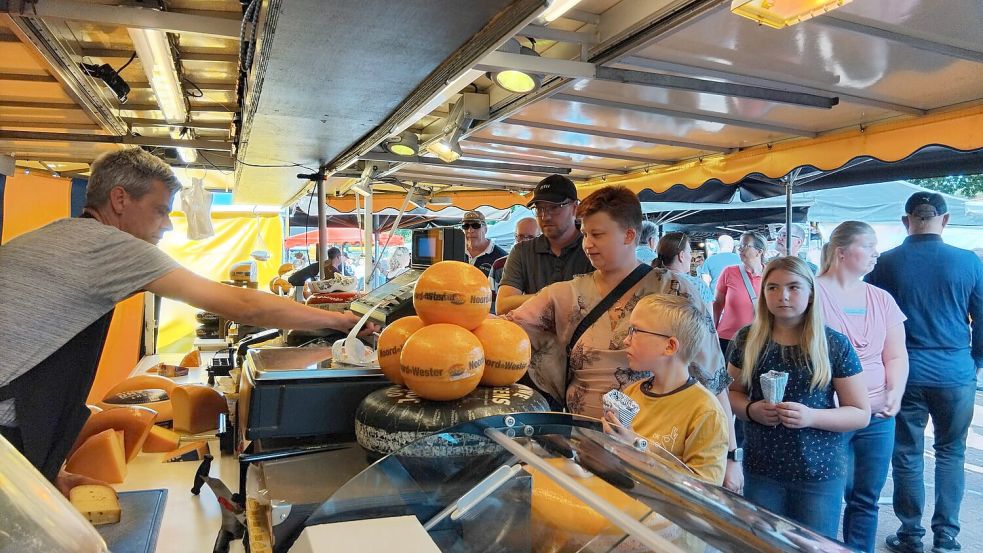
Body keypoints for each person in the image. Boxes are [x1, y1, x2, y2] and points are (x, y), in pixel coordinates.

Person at [0, 148, 372, 495]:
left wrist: (48, 473)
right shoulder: (106, 245)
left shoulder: (63, 237)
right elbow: (244, 306)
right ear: (119, 200)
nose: (167, 226)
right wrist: (341, 322)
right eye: (160, 211)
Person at [504, 185, 744, 493]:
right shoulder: (564, 295)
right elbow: (506, 334)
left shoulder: (675, 292)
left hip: (653, 455)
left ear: (629, 235)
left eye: (598, 235)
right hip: (584, 448)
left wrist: (731, 456)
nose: (588, 244)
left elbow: (713, 376)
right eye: (585, 234)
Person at [865, 192, 983, 553]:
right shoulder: (969, 262)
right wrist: (974, 363)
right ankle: (946, 537)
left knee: (907, 452)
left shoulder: (885, 263)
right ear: (944, 220)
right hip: (954, 371)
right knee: (951, 453)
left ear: (906, 220)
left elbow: (872, 319)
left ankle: (910, 535)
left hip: (905, 373)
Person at [727, 256, 870, 538]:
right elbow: (730, 393)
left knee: (812, 545)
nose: (783, 296)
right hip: (762, 469)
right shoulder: (747, 339)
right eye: (773, 288)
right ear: (763, 292)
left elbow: (860, 412)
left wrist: (812, 416)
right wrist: (751, 409)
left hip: (819, 473)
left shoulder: (833, 344)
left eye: (794, 287)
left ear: (811, 293)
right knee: (763, 545)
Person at [816, 221, 909, 553]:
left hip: (878, 415)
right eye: (868, 245)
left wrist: (895, 392)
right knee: (825, 495)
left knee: (866, 498)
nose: (876, 253)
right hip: (828, 416)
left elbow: (896, 355)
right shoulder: (811, 295)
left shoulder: (881, 299)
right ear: (841, 252)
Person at [606, 294, 728, 485]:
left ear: (670, 346)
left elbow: (705, 490)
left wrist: (637, 449)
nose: (626, 340)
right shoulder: (632, 392)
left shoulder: (706, 412)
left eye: (635, 331)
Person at [496, 174, 593, 315]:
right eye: (539, 208)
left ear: (574, 208)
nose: (545, 216)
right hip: (530, 337)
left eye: (554, 207)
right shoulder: (522, 251)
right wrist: (553, 295)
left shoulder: (592, 248)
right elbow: (503, 306)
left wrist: (533, 300)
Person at [713, 232, 765, 355]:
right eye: (739, 246)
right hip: (728, 339)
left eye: (745, 246)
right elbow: (717, 306)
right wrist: (712, 332)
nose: (740, 249)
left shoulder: (771, 275)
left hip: (760, 339)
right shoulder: (729, 272)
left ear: (759, 251)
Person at [653, 231, 714, 305]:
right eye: (689, 253)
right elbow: (709, 315)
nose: (691, 257)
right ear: (681, 255)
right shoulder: (698, 285)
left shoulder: (649, 281)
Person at [488, 217, 539, 303]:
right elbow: (489, 302)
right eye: (521, 236)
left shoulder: (546, 264)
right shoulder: (499, 265)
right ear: (515, 236)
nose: (525, 241)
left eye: (531, 237)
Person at [461, 210, 506, 276]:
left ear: (485, 229)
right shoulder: (455, 252)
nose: (470, 230)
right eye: (466, 226)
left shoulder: (501, 258)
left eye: (476, 225)